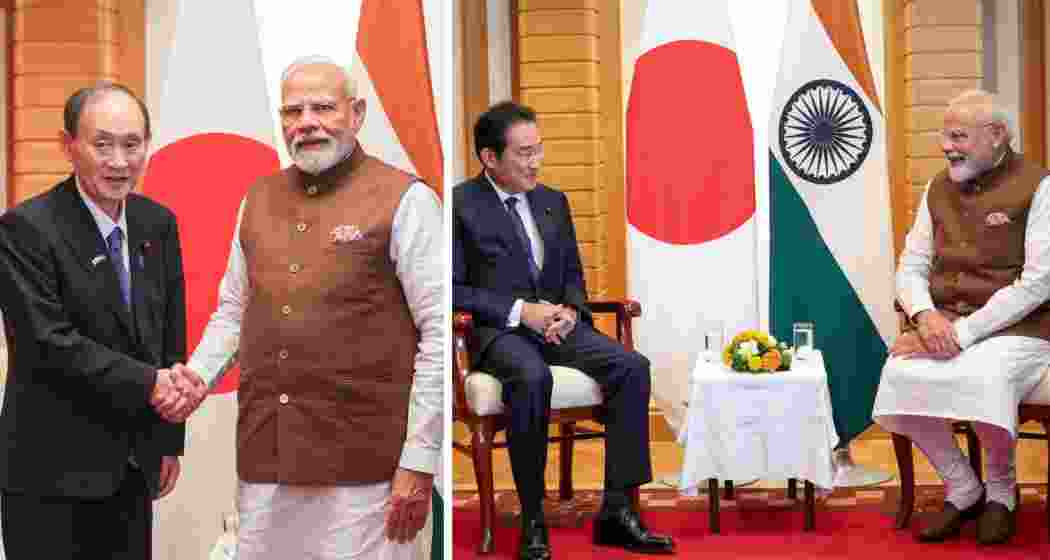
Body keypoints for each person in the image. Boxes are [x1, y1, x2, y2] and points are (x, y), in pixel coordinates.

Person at [181, 56, 443, 559]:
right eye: (292, 111)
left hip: (366, 467)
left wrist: (419, 458)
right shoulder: (257, 198)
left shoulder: (406, 200)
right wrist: (193, 380)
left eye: (323, 107)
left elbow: (435, 332)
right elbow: (233, 312)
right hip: (267, 458)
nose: (306, 123)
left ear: (357, 113)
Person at [453, 101, 675, 559]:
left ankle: (617, 512)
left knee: (632, 367)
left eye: (539, 150)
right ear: (489, 158)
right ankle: (533, 519)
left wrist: (570, 312)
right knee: (533, 378)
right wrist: (520, 311)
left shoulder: (553, 201)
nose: (535, 162)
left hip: (558, 325)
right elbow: (454, 289)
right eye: (524, 153)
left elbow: (572, 275)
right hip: (501, 333)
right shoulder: (460, 205)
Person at [0, 83, 205, 559]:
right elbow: (46, 343)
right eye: (102, 144)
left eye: (132, 144)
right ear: (67, 145)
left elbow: (168, 334)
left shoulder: (158, 223)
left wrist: (168, 437)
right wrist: (151, 383)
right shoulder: (26, 229)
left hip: (133, 469)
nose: (119, 161)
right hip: (50, 477)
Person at [873, 89, 1050, 546]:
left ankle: (1001, 492)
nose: (946, 146)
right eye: (944, 135)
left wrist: (960, 333)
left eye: (958, 136)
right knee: (896, 375)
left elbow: (1038, 283)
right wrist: (924, 315)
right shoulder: (936, 188)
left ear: (996, 135)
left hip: (1021, 330)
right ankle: (962, 485)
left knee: (983, 375)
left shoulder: (1039, 185)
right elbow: (911, 265)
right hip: (947, 321)